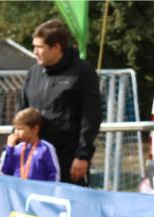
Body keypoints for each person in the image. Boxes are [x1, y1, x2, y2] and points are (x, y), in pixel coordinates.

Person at [20, 19, 101, 186]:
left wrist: (82, 156)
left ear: (56, 47)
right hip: (34, 157)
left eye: (39, 47)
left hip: (67, 159)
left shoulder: (82, 71)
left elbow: (91, 117)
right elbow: (22, 111)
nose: (34, 52)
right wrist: (16, 137)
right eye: (33, 46)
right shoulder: (33, 72)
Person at [0, 108, 60, 182]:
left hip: (38, 192)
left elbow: (54, 175)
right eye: (15, 129)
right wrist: (9, 148)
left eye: (20, 129)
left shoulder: (46, 148)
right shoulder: (15, 149)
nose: (16, 133)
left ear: (35, 129)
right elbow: (5, 172)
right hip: (17, 191)